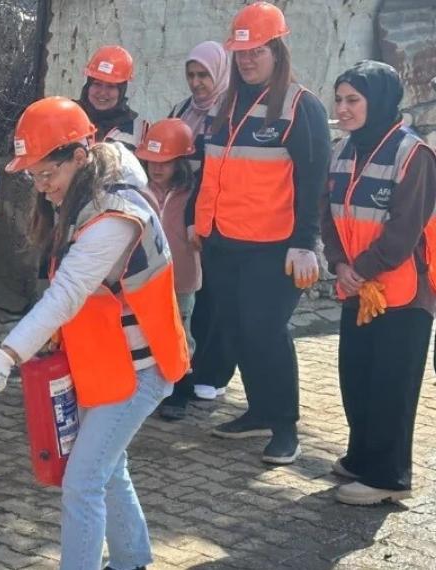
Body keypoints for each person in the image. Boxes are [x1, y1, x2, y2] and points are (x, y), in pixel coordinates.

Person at [0, 96, 189, 570]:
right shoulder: (90, 186)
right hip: (110, 362)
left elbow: (65, 294)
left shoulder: (111, 218)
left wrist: (7, 356)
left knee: (82, 481)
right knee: (108, 472)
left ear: (78, 156)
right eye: (32, 176)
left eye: (47, 174)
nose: (41, 186)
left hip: (142, 368)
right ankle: (132, 560)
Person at [195, 1, 331, 464]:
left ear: (277, 50)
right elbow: (211, 171)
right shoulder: (228, 103)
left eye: (257, 51)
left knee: (265, 331)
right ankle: (257, 412)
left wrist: (304, 242)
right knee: (234, 329)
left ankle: (284, 425)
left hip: (272, 248)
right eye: (242, 52)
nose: (248, 59)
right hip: (223, 242)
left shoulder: (300, 107)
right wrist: (201, 225)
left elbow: (313, 181)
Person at [320, 60, 436, 505]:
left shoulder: (414, 155)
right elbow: (326, 213)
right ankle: (362, 457)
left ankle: (387, 476)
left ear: (380, 102)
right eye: (340, 99)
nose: (343, 109)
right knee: (357, 376)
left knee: (392, 383)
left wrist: (359, 268)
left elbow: (404, 230)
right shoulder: (341, 149)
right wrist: (337, 262)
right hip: (359, 288)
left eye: (353, 100)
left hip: (405, 294)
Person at [167, 40, 237, 407]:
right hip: (181, 217)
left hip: (219, 217)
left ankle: (213, 372)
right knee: (188, 295)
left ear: (221, 73)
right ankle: (186, 367)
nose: (197, 83)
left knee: (216, 297)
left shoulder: (231, 112)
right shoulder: (182, 110)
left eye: (204, 75)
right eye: (192, 75)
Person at [135, 119, 203, 421]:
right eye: (151, 161)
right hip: (145, 278)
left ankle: (180, 388)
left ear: (181, 162)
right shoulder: (137, 189)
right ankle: (147, 387)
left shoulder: (193, 193)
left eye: (165, 162)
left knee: (180, 334)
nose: (157, 168)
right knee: (145, 332)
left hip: (182, 277)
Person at [77, 45, 145, 149]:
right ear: (88, 86)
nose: (103, 92)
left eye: (111, 86)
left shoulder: (139, 129)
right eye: (97, 84)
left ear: (122, 90)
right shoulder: (68, 115)